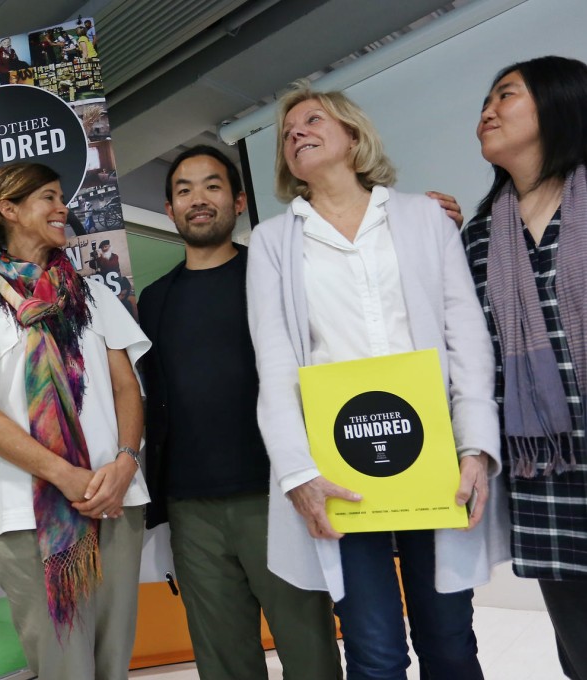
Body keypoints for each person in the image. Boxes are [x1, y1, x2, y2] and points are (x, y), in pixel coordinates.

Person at [247, 83, 508, 680]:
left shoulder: (421, 217)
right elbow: (277, 362)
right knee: (373, 651)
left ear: (353, 136)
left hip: (433, 452)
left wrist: (475, 447)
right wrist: (298, 474)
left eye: (312, 120)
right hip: (336, 464)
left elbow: (465, 338)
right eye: (287, 134)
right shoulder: (273, 243)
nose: (296, 134)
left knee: (448, 641)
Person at [0, 162, 150, 678]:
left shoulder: (93, 298)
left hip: (115, 501)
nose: (62, 207)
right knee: (62, 664)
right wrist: (66, 476)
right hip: (33, 515)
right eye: (48, 197)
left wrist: (126, 464)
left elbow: (126, 386)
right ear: (9, 209)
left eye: (60, 196)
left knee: (113, 663)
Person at [139, 145, 342, 680]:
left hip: (280, 494)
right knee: (223, 662)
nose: (198, 200)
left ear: (238, 200)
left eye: (212, 186)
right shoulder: (153, 300)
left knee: (311, 652)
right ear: (169, 210)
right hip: (192, 508)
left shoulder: (275, 276)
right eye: (183, 190)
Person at [462, 55, 587, 680]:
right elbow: (471, 355)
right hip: (550, 474)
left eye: (505, 94)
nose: (487, 110)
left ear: (560, 101)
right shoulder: (481, 236)